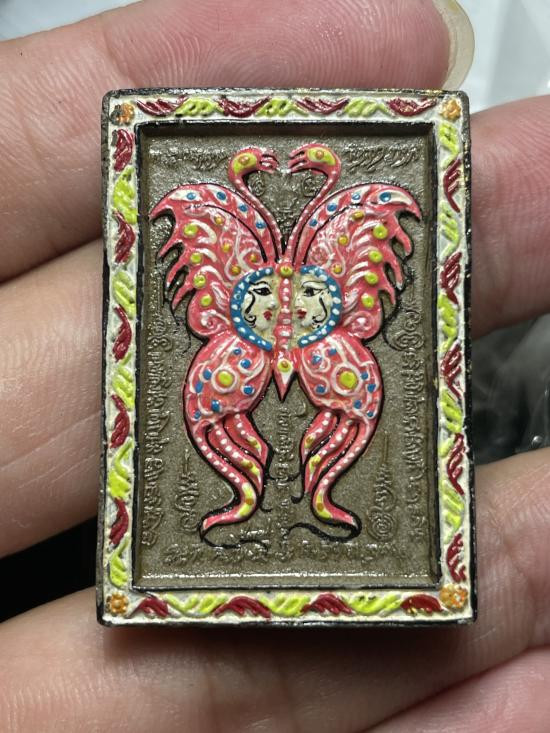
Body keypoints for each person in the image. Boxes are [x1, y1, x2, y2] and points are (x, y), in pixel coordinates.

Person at [1, 0, 549, 730]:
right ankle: (256, 501)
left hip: (313, 347)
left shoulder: (346, 235)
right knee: (230, 426)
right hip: (253, 346)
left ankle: (306, 500)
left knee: (340, 424)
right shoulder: (222, 234)